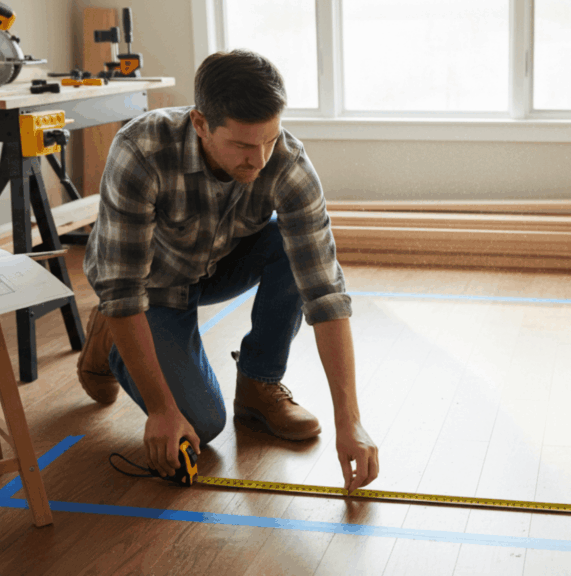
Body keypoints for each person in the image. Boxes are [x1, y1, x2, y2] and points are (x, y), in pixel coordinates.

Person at [76, 49, 378, 492]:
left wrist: (350, 423)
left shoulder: (287, 163)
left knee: (292, 247)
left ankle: (259, 384)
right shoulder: (141, 150)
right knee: (203, 423)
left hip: (215, 266)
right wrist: (161, 410)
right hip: (150, 286)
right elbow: (122, 288)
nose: (259, 159)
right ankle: (110, 334)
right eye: (242, 145)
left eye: (269, 140)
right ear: (200, 124)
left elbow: (326, 294)